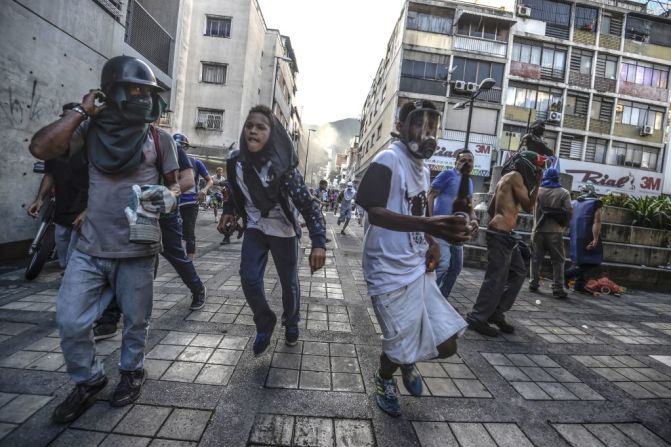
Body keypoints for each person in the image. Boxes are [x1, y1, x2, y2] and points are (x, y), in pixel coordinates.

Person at [29, 56, 180, 422]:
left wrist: (169, 195)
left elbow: (176, 182)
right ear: (112, 91)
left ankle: (132, 372)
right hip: (90, 248)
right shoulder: (90, 132)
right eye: (136, 89)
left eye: (149, 91)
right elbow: (41, 149)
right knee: (70, 320)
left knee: (135, 321)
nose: (144, 97)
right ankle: (88, 379)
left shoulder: (158, 139)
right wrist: (81, 112)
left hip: (138, 249)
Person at [356, 100, 470, 417]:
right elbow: (372, 210)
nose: (426, 132)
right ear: (402, 126)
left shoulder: (423, 167)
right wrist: (426, 226)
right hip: (387, 271)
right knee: (399, 343)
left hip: (417, 268)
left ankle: (406, 360)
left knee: (447, 345)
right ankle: (384, 378)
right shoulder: (388, 159)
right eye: (419, 124)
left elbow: (422, 207)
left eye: (432, 126)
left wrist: (431, 239)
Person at [218, 105, 326, 355]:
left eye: (260, 127)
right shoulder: (235, 161)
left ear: (272, 134)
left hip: (283, 229)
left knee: (289, 283)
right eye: (249, 126)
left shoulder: (284, 169)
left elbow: (309, 207)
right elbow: (235, 193)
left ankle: (291, 321)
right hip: (256, 226)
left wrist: (319, 243)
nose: (253, 131)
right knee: (248, 278)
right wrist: (228, 211)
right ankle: (264, 320)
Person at [466, 151, 544, 337]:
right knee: (496, 278)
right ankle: (477, 317)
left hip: (503, 233)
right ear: (528, 166)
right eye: (537, 169)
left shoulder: (505, 179)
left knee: (518, 272)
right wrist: (539, 183)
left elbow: (492, 208)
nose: (537, 172)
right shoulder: (516, 176)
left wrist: (505, 220)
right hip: (500, 234)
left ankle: (496, 313)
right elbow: (528, 206)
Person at [27, 103, 89, 269]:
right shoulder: (55, 147)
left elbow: (103, 182)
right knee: (61, 240)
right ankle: (66, 273)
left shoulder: (90, 147)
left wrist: (88, 210)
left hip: (84, 207)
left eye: (73, 119)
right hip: (62, 205)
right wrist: (39, 199)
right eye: (65, 118)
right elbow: (50, 174)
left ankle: (70, 277)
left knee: (75, 255)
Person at [427, 149, 479, 300]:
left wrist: (474, 219)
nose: (467, 163)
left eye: (470, 161)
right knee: (442, 264)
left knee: (456, 267)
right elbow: (431, 195)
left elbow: (468, 205)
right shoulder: (447, 174)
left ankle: (442, 299)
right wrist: (430, 221)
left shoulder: (468, 181)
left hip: (458, 231)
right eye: (463, 160)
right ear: (456, 162)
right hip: (442, 227)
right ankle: (428, 299)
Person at [529, 168, 572, 299]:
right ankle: (558, 288)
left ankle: (533, 284)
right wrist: (565, 224)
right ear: (557, 178)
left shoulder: (537, 191)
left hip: (538, 230)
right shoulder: (564, 192)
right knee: (558, 261)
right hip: (555, 231)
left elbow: (529, 206)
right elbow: (570, 211)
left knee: (535, 259)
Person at [174, 133, 213, 258]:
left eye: (182, 146)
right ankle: (179, 258)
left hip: (191, 202)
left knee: (189, 232)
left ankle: (189, 261)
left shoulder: (195, 162)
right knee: (174, 232)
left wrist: (204, 191)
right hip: (172, 202)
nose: (179, 149)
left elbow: (210, 180)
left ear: (186, 148)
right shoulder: (166, 162)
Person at [565, 184, 603, 293]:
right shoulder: (595, 203)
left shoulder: (574, 203)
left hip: (576, 236)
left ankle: (579, 285)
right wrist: (595, 239)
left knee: (579, 261)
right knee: (593, 260)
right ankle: (568, 274)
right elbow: (597, 222)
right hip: (588, 235)